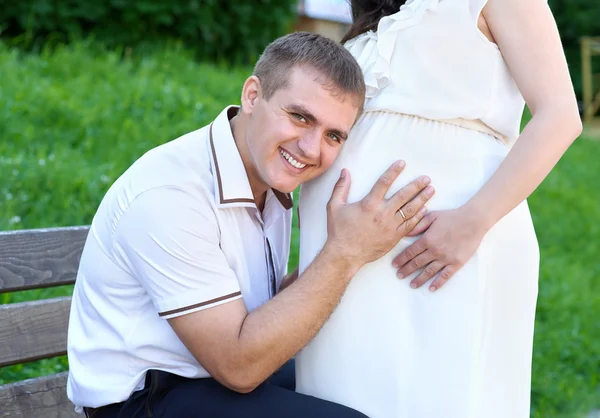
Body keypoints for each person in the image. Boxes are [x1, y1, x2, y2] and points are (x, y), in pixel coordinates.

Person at [66, 31, 434, 418]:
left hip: (212, 378)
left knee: (361, 382)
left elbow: (260, 317)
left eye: (333, 135)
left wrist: (355, 245)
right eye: (300, 117)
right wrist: (345, 253)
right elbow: (239, 367)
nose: (311, 149)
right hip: (143, 400)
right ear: (253, 96)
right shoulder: (170, 194)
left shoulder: (265, 175)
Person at [295, 1, 582, 417]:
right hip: (349, 259)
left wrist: (473, 222)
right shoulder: (376, 11)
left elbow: (560, 116)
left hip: (447, 246)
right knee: (342, 395)